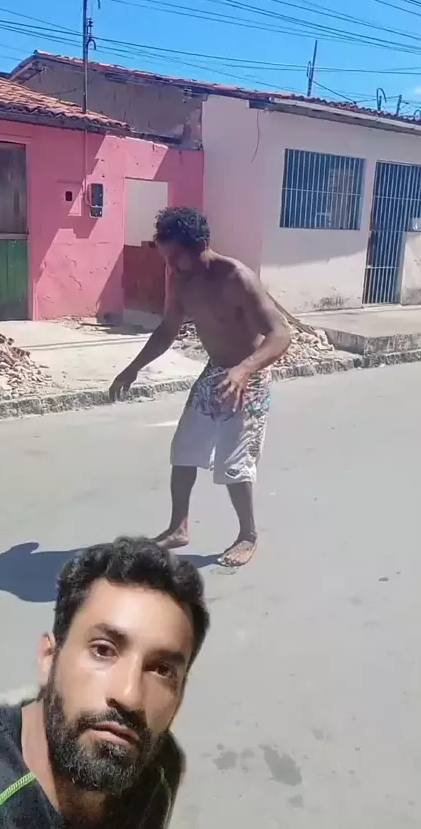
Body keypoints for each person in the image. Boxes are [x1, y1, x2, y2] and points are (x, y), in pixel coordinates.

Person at [0, 537, 209, 829]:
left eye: (162, 670)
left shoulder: (159, 772)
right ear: (49, 657)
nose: (129, 695)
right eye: (103, 650)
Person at [110, 207, 290, 568]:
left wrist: (244, 370)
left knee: (234, 464)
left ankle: (248, 535)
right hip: (214, 373)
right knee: (184, 450)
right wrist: (132, 369)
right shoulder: (180, 281)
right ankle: (178, 528)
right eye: (165, 257)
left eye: (176, 257)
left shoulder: (236, 278)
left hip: (249, 378)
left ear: (202, 245)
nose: (170, 266)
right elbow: (167, 330)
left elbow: (280, 334)